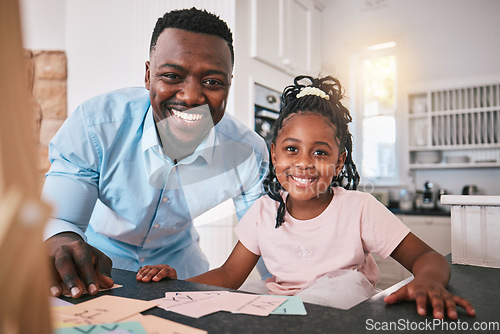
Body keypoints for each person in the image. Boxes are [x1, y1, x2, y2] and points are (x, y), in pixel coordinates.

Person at [137, 75, 475, 319]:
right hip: (279, 311)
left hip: (342, 315)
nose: (304, 163)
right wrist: (176, 283)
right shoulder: (263, 211)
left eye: (320, 152)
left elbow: (428, 258)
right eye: (291, 149)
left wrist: (428, 280)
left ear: (339, 161)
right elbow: (228, 276)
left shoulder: (359, 208)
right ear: (274, 154)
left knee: (341, 288)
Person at [43, 8, 269, 299]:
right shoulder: (97, 125)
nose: (191, 97)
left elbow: (268, 242)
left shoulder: (248, 153)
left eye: (212, 82)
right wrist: (63, 241)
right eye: (172, 76)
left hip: (184, 275)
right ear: (149, 75)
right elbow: (64, 220)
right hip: (98, 268)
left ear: (228, 84)